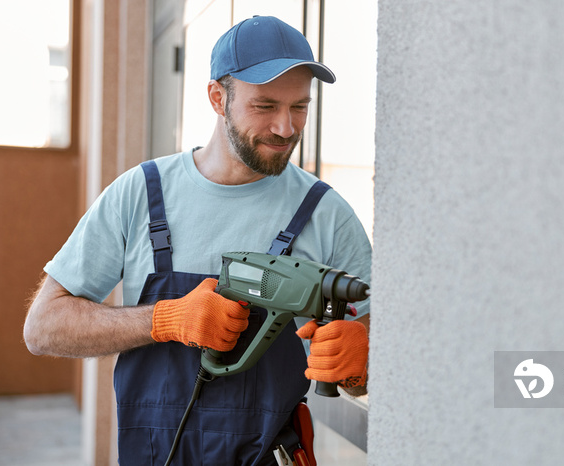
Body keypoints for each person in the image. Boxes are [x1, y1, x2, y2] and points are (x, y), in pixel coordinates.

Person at [23, 15, 371, 466]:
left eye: (300, 107)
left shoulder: (326, 214)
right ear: (216, 97)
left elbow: (374, 355)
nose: (286, 128)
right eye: (264, 106)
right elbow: (43, 327)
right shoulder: (142, 194)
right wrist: (165, 320)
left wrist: (365, 359)